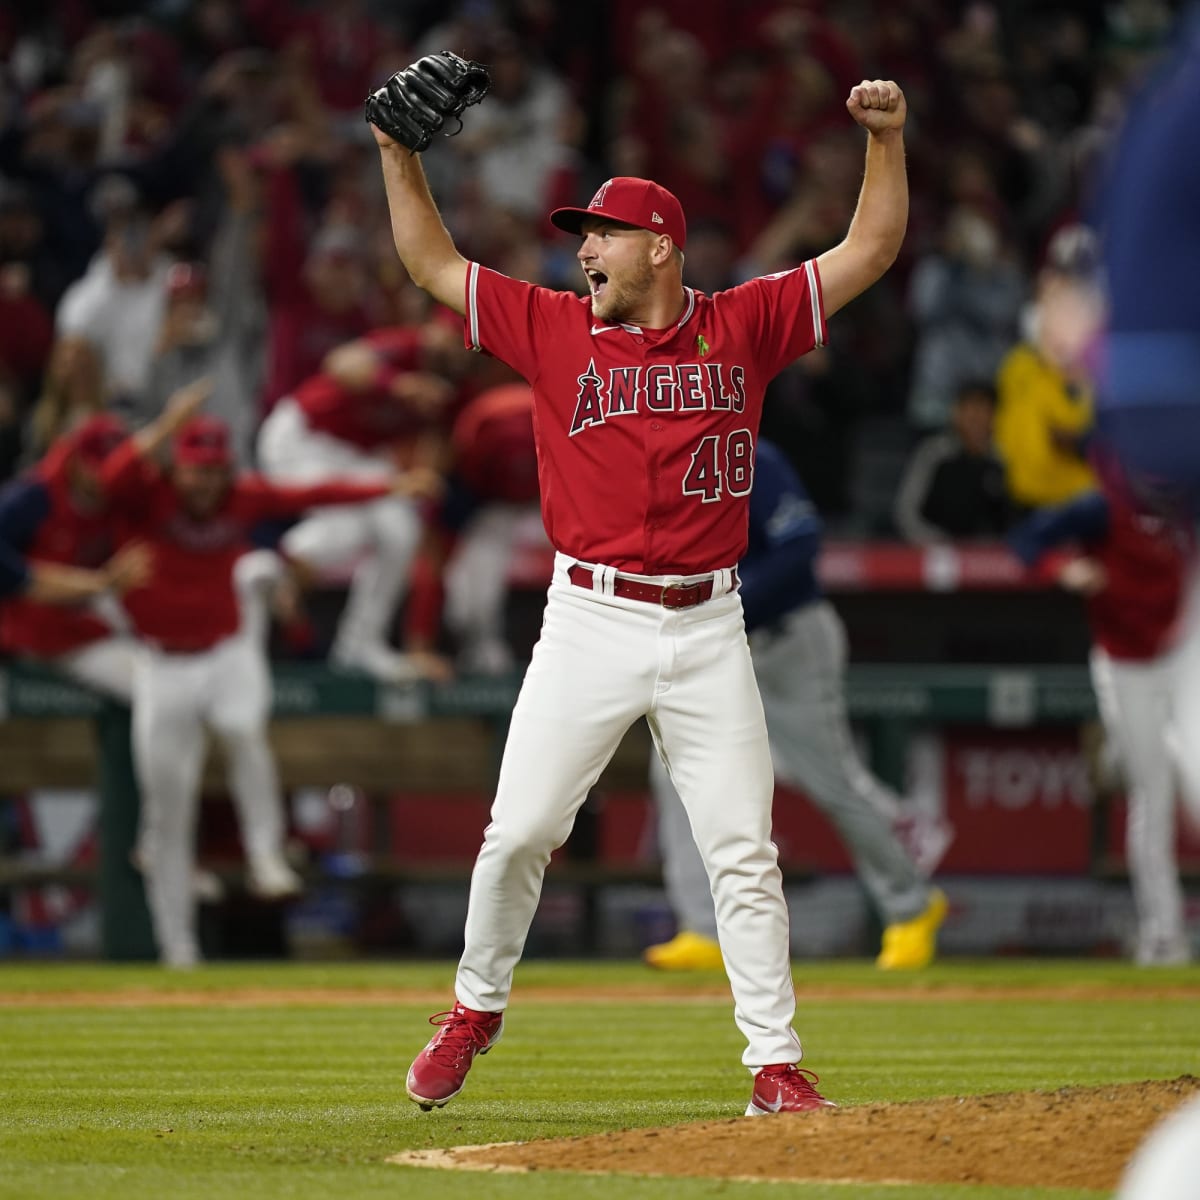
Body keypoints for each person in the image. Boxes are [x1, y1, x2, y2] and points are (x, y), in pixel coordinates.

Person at [367, 55, 909, 1115]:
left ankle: (774, 1066)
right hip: (587, 618)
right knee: (519, 831)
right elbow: (432, 262)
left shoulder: (744, 324)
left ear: (660, 244)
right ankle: (475, 1008)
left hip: (709, 624)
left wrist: (884, 142)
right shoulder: (554, 328)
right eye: (580, 237)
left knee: (742, 852)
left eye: (601, 234)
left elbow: (873, 246)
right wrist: (397, 156)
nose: (584, 252)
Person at [98, 383, 442, 967]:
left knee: (241, 730)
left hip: (225, 651)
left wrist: (389, 486)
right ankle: (177, 948)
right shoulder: (148, 498)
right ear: (176, 469)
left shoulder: (240, 496)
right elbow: (109, 479)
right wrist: (161, 427)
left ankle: (265, 856)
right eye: (195, 471)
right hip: (160, 662)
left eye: (213, 471)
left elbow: (311, 491)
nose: (205, 483)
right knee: (169, 810)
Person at [646, 439, 949, 972]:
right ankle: (702, 928)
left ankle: (912, 905)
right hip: (715, 645)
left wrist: (727, 601)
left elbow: (800, 542)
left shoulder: (749, 453)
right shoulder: (658, 462)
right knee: (672, 771)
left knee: (829, 778)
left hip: (786, 640)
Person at [1008, 457, 1197, 965]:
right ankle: (1165, 938)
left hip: (1184, 659)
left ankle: (1116, 754)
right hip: (1126, 664)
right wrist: (1064, 568)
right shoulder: (1103, 506)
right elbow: (1026, 541)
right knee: (1153, 793)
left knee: (1185, 775)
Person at [256, 323, 462, 683]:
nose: (458, 346)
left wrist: (423, 484)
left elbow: (432, 462)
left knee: (400, 530)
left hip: (355, 455)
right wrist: (398, 385)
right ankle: (273, 568)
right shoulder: (407, 347)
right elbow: (340, 362)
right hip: (302, 437)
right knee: (346, 526)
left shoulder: (454, 385)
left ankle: (359, 644)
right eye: (453, 335)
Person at [0, 413, 146, 700]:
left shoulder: (127, 499)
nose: (104, 476)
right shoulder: (33, 497)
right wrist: (102, 583)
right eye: (96, 466)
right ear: (75, 458)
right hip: (27, 632)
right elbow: (24, 581)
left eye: (113, 466)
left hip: (84, 626)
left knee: (157, 684)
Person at [441, 381, 543, 675]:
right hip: (497, 510)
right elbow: (467, 483)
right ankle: (483, 652)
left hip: (556, 505)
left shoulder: (556, 411)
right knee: (466, 607)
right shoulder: (484, 422)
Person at [893, 381, 1011, 543]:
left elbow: (1010, 520)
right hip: (934, 549)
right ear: (956, 414)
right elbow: (906, 512)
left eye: (984, 411)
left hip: (988, 556)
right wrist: (939, 544)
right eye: (970, 410)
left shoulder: (1003, 459)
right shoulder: (934, 453)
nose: (976, 419)